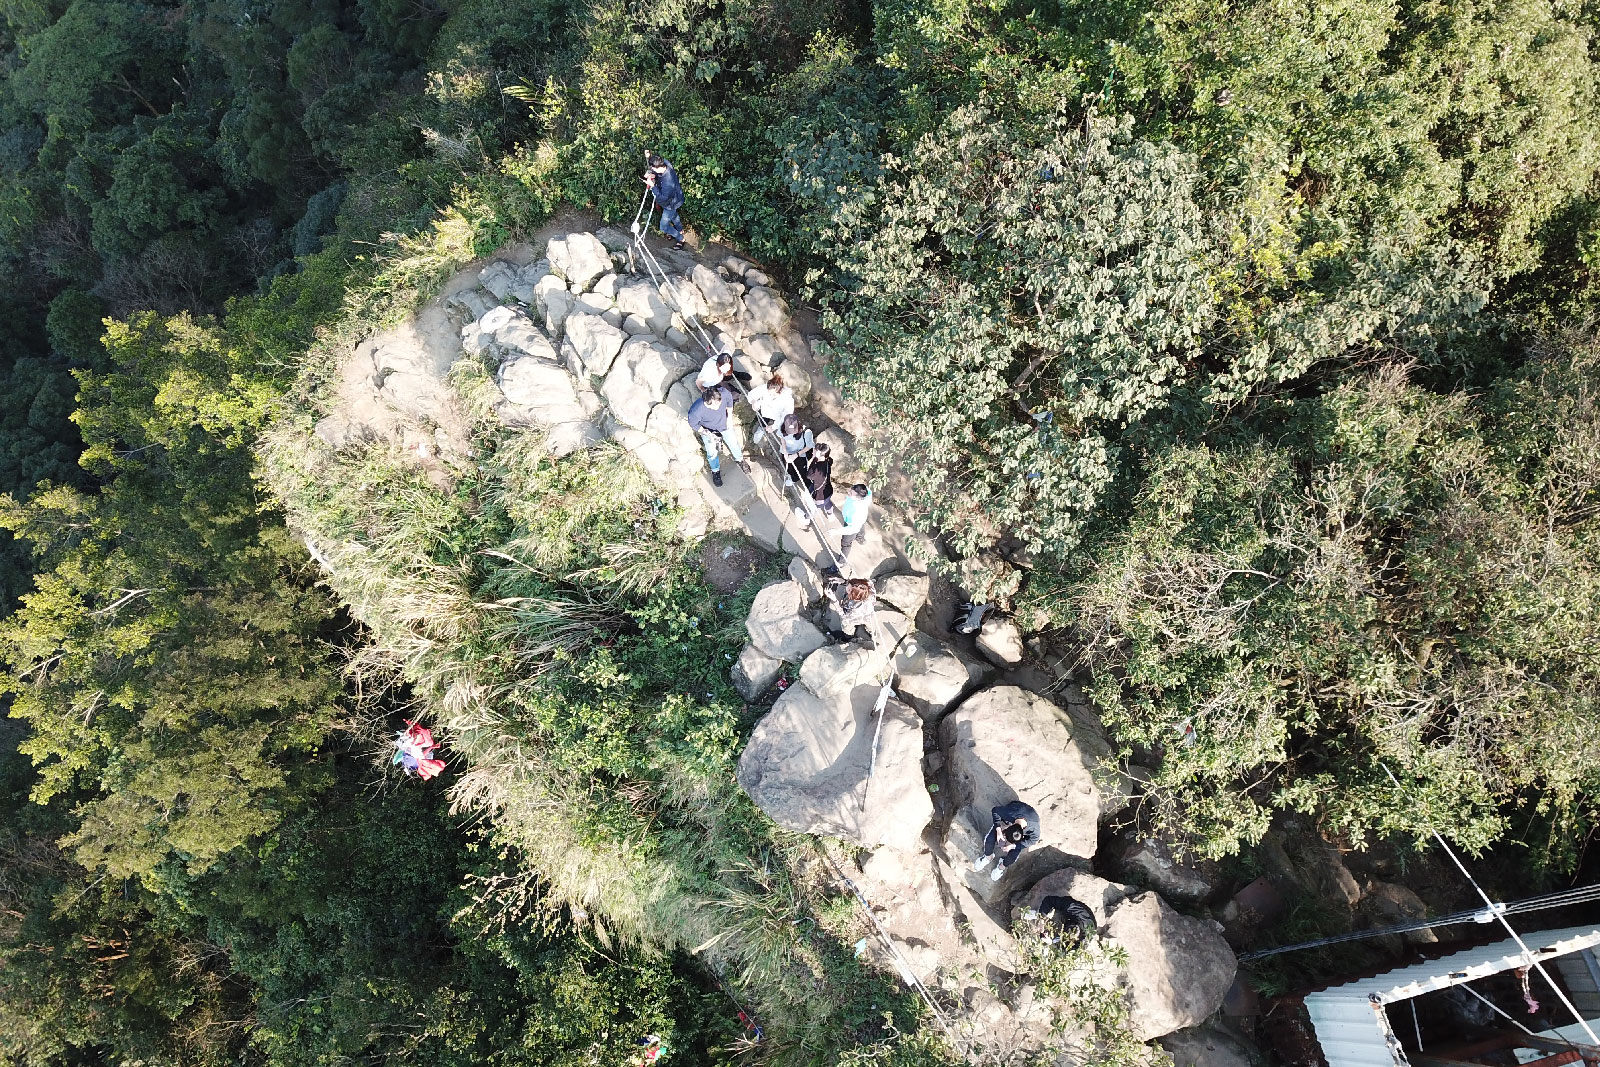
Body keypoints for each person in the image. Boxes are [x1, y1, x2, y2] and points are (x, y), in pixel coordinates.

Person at [686, 385, 749, 488]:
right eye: (714, 406)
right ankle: (715, 471)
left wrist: (729, 419)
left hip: (725, 425)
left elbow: (729, 403)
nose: (717, 408)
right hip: (709, 430)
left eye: (719, 404)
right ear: (706, 402)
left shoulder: (723, 393)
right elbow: (694, 424)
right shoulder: (696, 410)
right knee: (711, 452)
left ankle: (740, 460)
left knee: (733, 443)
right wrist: (707, 433)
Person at [972, 799, 1039, 881]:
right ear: (1008, 826)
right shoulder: (1009, 814)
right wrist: (999, 830)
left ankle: (1001, 867)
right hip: (1015, 809)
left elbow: (1034, 840)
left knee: (1013, 857)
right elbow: (995, 811)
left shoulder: (1034, 828)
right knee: (990, 839)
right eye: (1005, 837)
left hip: (1028, 817)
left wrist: (1013, 846)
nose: (1005, 842)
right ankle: (987, 856)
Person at [643, 152, 686, 250]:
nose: (652, 170)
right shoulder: (665, 163)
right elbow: (654, 167)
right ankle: (680, 230)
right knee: (674, 216)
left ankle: (680, 238)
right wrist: (652, 171)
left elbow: (663, 198)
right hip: (676, 198)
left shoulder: (668, 182)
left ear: (658, 167)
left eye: (653, 168)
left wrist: (652, 185)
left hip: (670, 203)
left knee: (663, 227)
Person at [824, 576, 877, 649]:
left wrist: (834, 600)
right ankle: (872, 633)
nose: (846, 588)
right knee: (870, 624)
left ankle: (848, 636)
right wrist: (843, 581)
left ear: (855, 597)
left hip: (856, 617)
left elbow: (844, 616)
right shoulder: (870, 588)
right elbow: (862, 584)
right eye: (849, 585)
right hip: (869, 615)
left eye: (849, 590)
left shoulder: (855, 609)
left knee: (846, 625)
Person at [746, 373, 794, 444]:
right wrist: (753, 402)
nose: (771, 396)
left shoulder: (787, 398)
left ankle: (783, 438)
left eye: (773, 394)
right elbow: (751, 394)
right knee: (764, 421)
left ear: (779, 392)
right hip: (766, 411)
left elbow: (787, 416)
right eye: (769, 393)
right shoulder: (766, 388)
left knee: (781, 425)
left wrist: (774, 426)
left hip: (779, 414)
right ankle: (762, 429)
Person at [1033, 895, 1098, 948]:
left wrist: (1051, 943)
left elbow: (1067, 952)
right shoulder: (1071, 907)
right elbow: (1048, 901)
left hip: (1082, 922)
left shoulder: (1085, 940)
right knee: (1055, 915)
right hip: (1072, 911)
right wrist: (1041, 919)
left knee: (1059, 946)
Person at [836, 483, 872, 558]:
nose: (848, 493)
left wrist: (836, 531)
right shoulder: (865, 495)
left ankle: (841, 562)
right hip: (860, 520)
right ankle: (860, 538)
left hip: (851, 523)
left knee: (846, 543)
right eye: (850, 490)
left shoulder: (856, 511)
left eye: (851, 493)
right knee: (861, 526)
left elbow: (852, 529)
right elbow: (868, 490)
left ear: (858, 498)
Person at [777, 413, 813, 488]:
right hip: (787, 452)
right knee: (789, 467)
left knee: (802, 471)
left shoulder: (806, 432)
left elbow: (809, 446)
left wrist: (796, 455)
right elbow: (782, 438)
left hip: (800, 453)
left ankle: (807, 486)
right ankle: (793, 478)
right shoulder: (781, 427)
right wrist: (785, 451)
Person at [804, 441, 835, 519]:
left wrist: (814, 459)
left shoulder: (817, 468)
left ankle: (806, 518)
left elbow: (809, 476)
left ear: (818, 454)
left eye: (814, 451)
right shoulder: (828, 461)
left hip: (819, 497)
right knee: (827, 502)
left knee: (812, 507)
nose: (812, 452)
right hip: (828, 491)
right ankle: (830, 514)